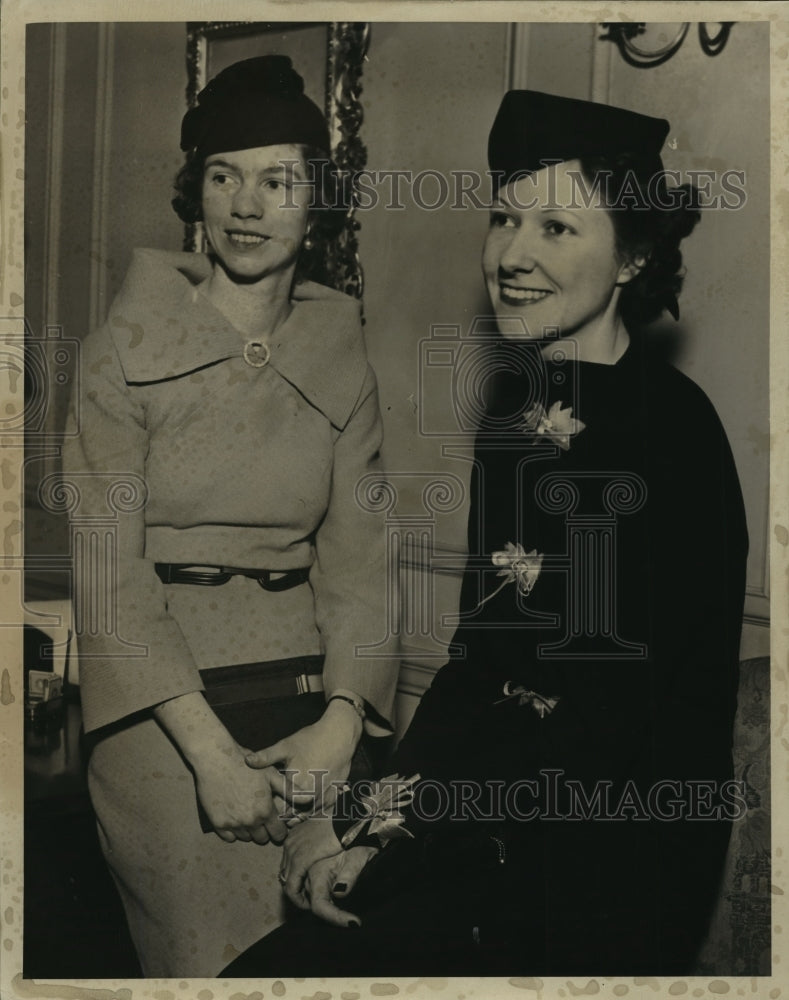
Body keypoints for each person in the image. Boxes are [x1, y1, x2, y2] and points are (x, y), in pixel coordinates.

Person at [222, 90, 749, 977]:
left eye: (556, 228)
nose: (510, 255)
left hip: (605, 861)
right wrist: (361, 814)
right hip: (496, 819)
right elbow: (479, 663)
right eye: (504, 217)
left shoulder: (669, 434)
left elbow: (599, 724)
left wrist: (394, 844)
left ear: (633, 256)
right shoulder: (519, 414)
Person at [62, 55, 398, 977]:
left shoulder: (343, 357)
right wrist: (212, 759)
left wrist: (339, 726)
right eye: (224, 176)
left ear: (315, 201)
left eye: (278, 179)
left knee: (340, 946)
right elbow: (109, 577)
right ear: (195, 194)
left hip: (303, 695)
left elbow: (362, 564)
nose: (248, 206)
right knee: (216, 959)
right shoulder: (115, 355)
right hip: (161, 706)